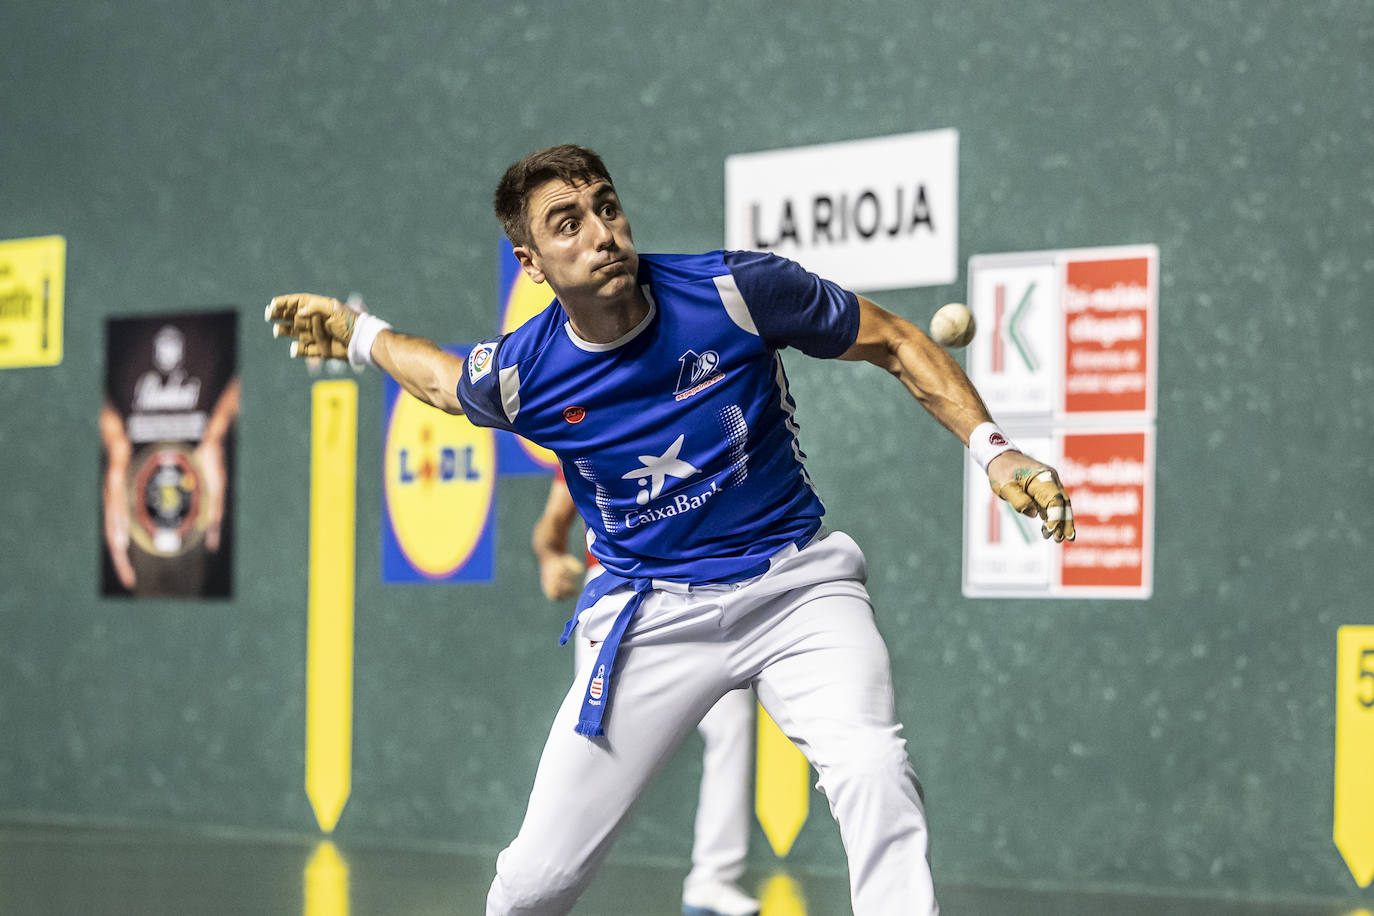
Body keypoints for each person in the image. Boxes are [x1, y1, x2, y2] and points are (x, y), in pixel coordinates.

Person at [266, 144, 1075, 916]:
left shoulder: (736, 291)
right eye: (567, 223)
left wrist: (995, 452)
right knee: (534, 885)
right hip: (649, 612)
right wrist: (356, 334)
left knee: (874, 767)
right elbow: (443, 383)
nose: (601, 233)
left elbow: (896, 341)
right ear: (533, 264)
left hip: (795, 589)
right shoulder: (526, 371)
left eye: (606, 207)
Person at [532, 471, 760, 916]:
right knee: (595, 748)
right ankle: (539, 882)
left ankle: (712, 880)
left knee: (732, 722)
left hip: (699, 584)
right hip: (621, 595)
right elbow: (553, 520)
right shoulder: (588, 419)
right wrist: (550, 556)